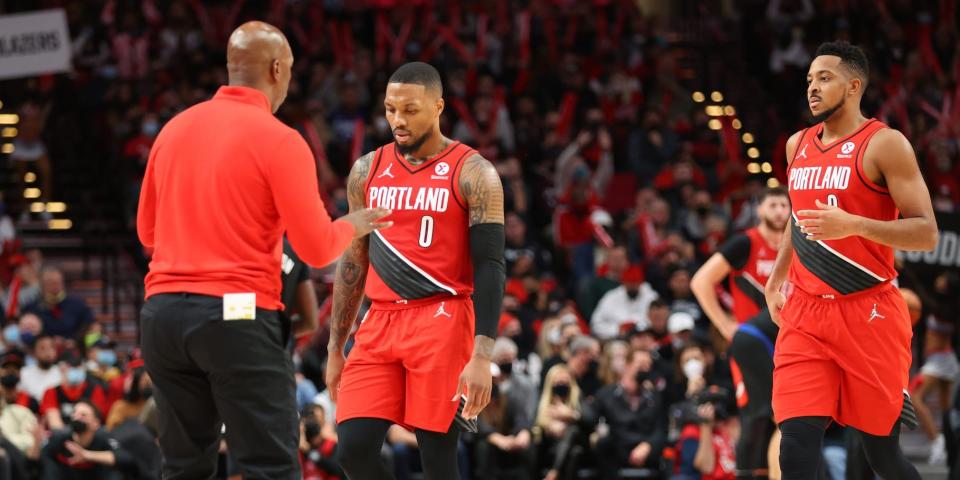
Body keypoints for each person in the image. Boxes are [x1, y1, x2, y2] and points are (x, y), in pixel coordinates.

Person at [136, 21, 389, 480]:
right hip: (236, 316)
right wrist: (350, 226)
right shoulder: (280, 139)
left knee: (182, 467)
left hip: (163, 317)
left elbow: (147, 235)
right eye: (289, 71)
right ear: (277, 69)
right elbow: (315, 250)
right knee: (268, 467)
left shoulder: (173, 130)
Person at [765, 40, 938, 480]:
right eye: (809, 80)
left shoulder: (885, 144)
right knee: (796, 446)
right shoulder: (796, 146)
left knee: (883, 456)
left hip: (870, 312)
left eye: (825, 78)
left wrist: (855, 225)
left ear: (854, 85)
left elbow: (926, 233)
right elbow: (797, 218)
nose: (813, 88)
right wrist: (776, 277)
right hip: (805, 312)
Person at [327, 62, 505, 480]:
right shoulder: (366, 169)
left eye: (409, 109)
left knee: (438, 461)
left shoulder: (475, 171)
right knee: (353, 451)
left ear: (438, 106)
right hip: (380, 320)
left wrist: (482, 355)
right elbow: (354, 258)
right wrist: (337, 345)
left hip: (442, 319)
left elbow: (491, 265)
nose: (397, 120)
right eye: (390, 109)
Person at [690, 186, 790, 479]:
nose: (780, 211)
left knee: (785, 418)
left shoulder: (795, 244)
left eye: (784, 206)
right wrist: (725, 325)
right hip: (752, 343)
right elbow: (701, 282)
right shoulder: (745, 243)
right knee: (757, 415)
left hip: (787, 341)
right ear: (759, 210)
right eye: (773, 205)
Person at [24, 267, 94, 341]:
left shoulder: (78, 305)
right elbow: (27, 334)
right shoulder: (31, 308)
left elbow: (90, 325)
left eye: (58, 282)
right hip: (43, 348)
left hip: (73, 348)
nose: (56, 286)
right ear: (42, 285)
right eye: (51, 283)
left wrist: (75, 342)